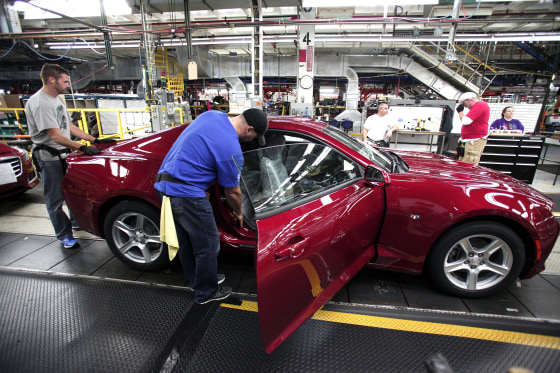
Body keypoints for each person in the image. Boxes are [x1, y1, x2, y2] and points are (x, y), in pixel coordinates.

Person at [154, 108, 268, 304]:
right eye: (254, 136)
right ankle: (206, 293)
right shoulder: (232, 150)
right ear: (249, 129)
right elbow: (232, 192)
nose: (252, 140)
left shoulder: (211, 115)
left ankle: (198, 281)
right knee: (208, 245)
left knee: (187, 242)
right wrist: (239, 212)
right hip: (188, 195)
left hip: (164, 185)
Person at [26, 63, 111, 249]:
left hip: (65, 154)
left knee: (73, 192)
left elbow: (69, 127)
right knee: (55, 199)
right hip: (50, 157)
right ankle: (64, 235)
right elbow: (55, 135)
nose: (67, 85)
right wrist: (82, 147)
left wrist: (94, 139)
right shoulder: (40, 103)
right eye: (64, 81)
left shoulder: (57, 99)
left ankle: (75, 222)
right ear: (51, 80)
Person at [455, 92, 490, 165]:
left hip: (474, 140)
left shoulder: (479, 106)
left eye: (464, 104)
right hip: (470, 139)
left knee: (469, 162)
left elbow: (466, 121)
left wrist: (460, 112)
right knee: (464, 161)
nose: (466, 107)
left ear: (468, 100)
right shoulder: (478, 106)